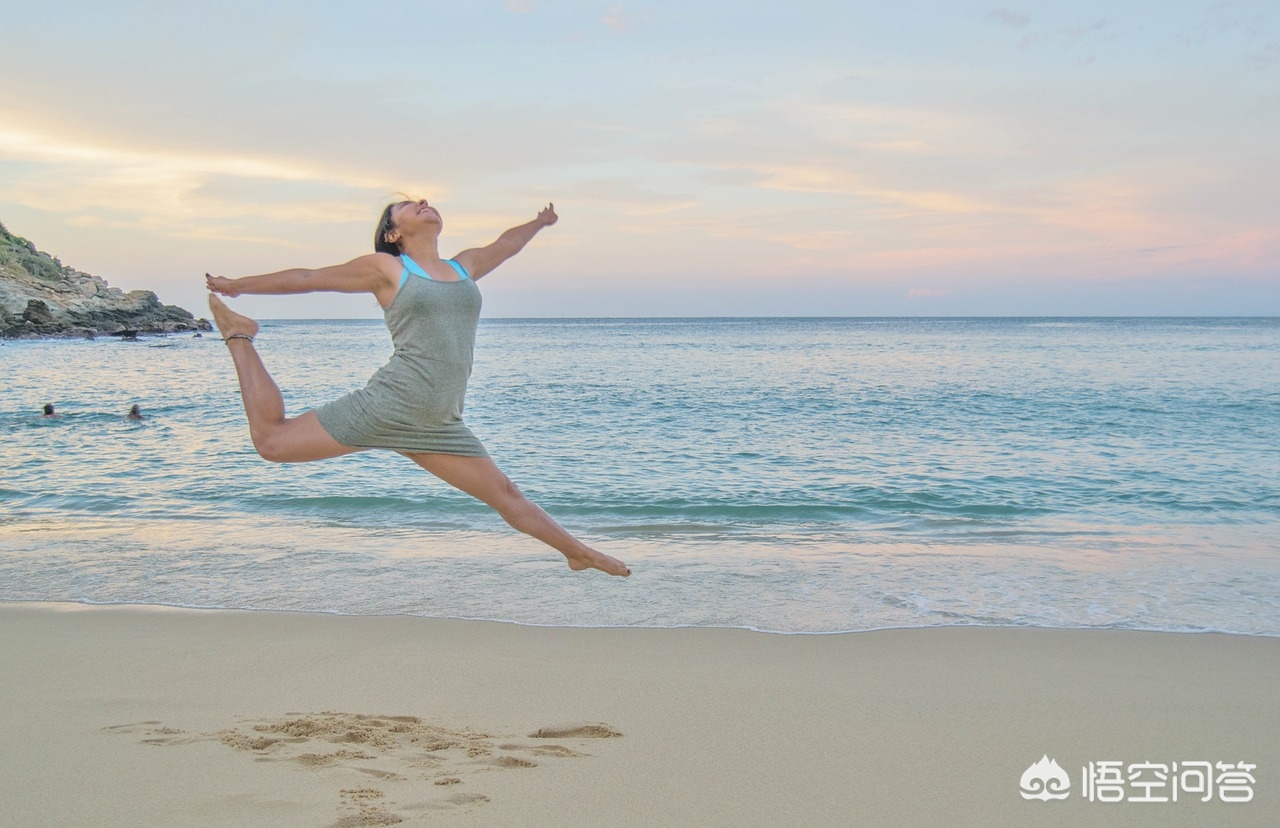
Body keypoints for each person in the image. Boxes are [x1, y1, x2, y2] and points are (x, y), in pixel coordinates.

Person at [205, 199, 629, 576]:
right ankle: (240, 335)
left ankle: (578, 553)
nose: (423, 201)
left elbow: (507, 244)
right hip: (391, 402)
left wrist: (538, 223)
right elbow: (309, 277)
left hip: (438, 422)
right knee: (271, 442)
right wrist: (239, 285)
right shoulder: (387, 268)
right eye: (407, 205)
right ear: (393, 233)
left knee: (506, 494)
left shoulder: (464, 266)